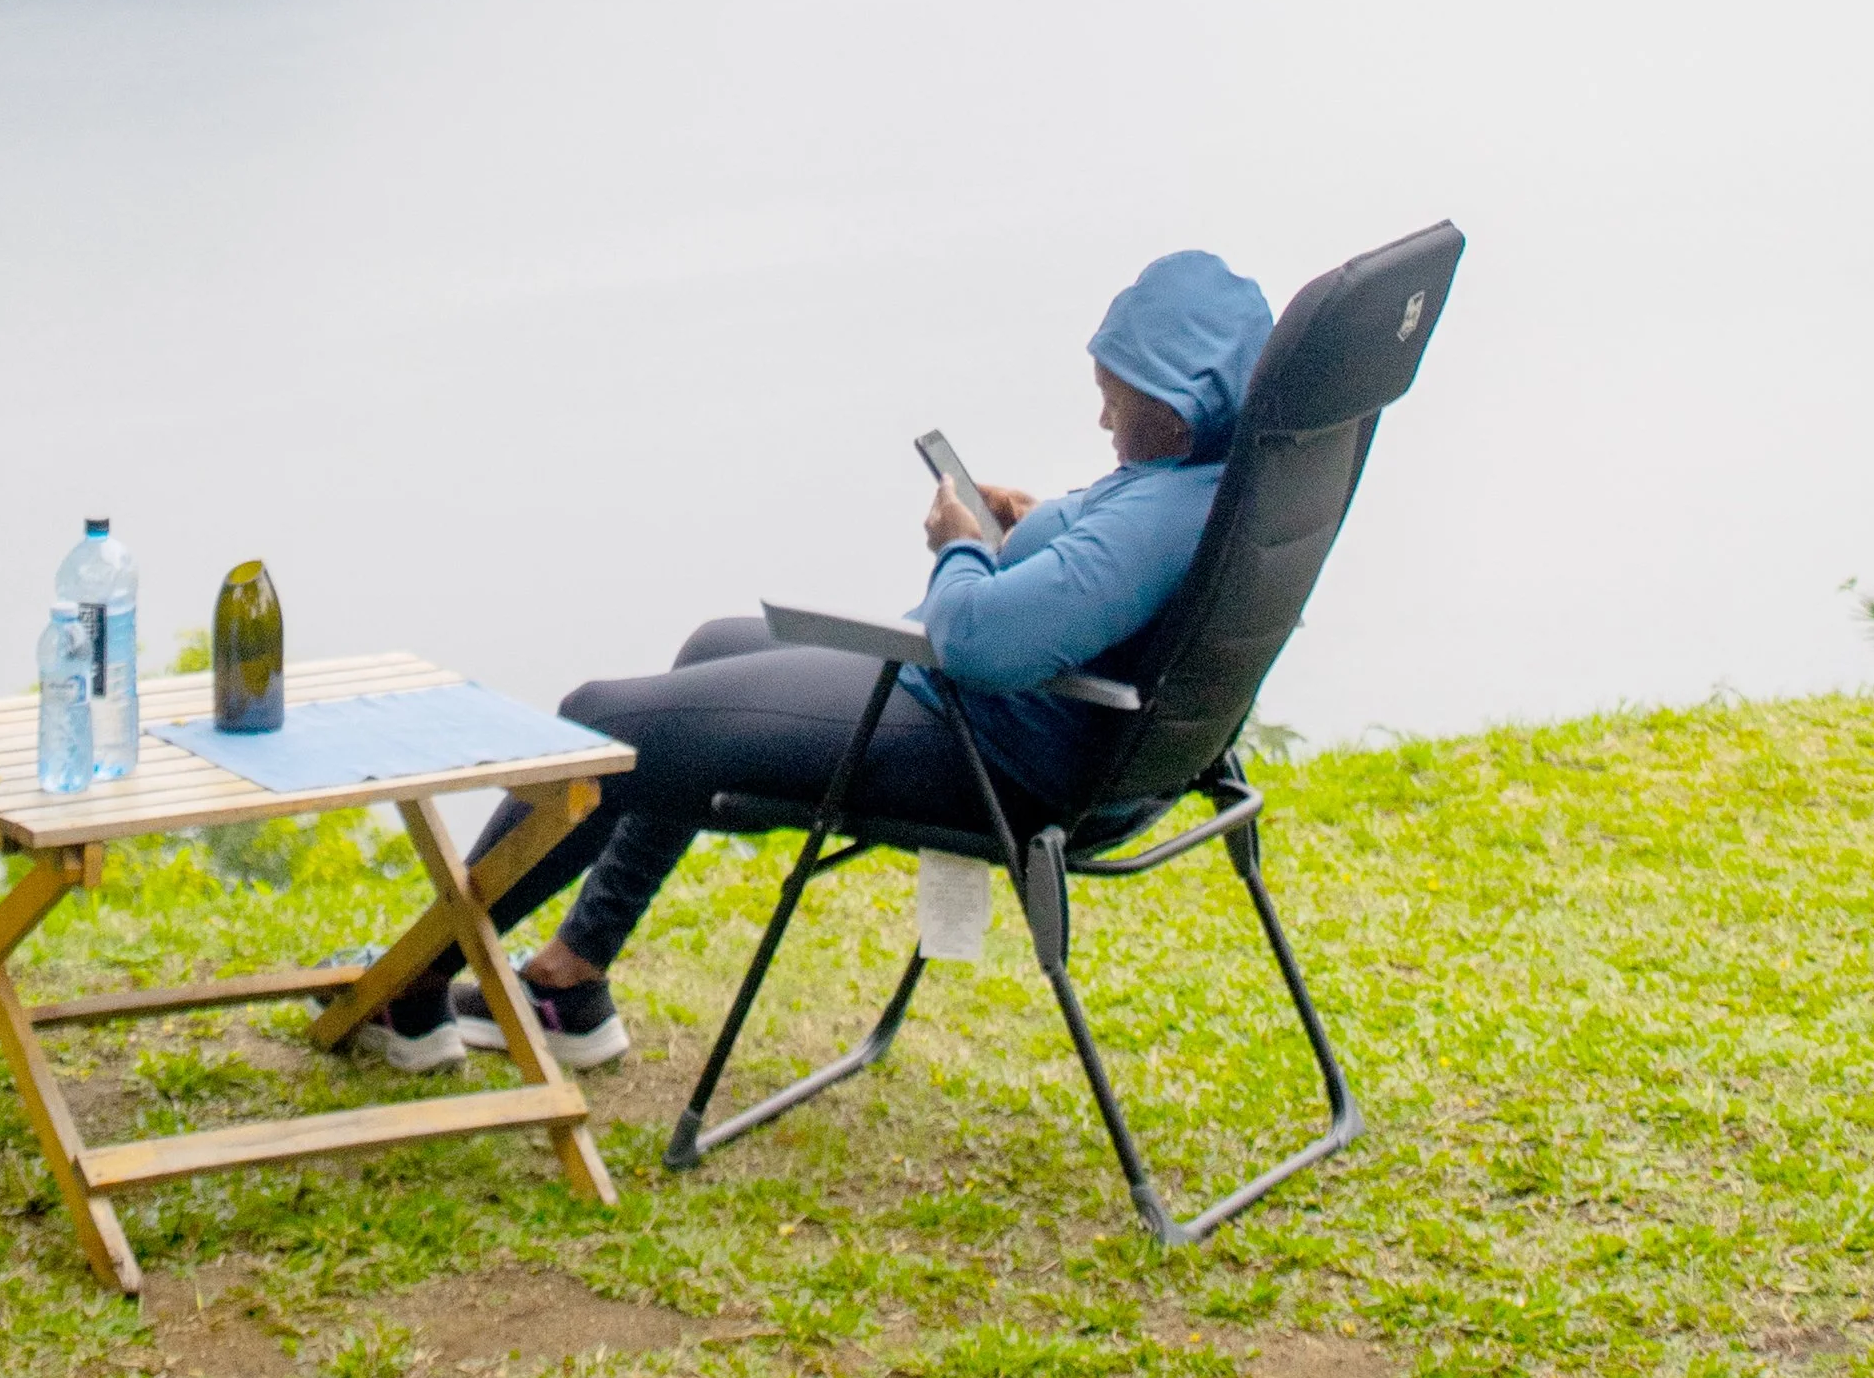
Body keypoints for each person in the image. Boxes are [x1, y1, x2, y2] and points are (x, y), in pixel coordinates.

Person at [359, 249, 1273, 1074]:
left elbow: (980, 639)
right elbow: (1101, 571)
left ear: (1180, 399)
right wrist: (1038, 525)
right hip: (1065, 740)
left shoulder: (1159, 520)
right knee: (710, 650)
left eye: (1118, 396)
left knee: (600, 720)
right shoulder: (1216, 483)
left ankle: (415, 976)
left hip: (985, 748)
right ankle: (568, 980)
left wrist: (962, 546)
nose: (1102, 413)